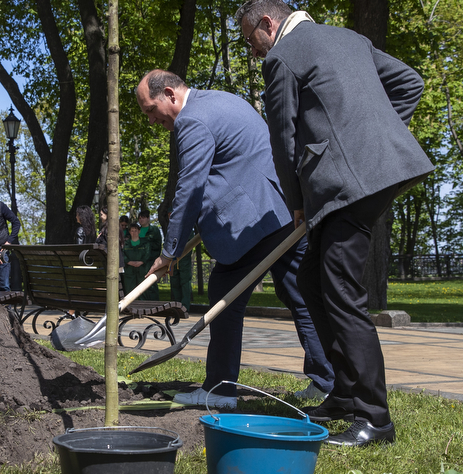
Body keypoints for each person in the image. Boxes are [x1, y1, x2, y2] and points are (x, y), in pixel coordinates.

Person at [238, 0, 434, 445]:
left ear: (268, 24)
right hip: (375, 173)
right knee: (310, 280)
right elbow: (411, 83)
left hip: (344, 186)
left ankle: (374, 416)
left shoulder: (282, 58)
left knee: (340, 289)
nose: (254, 51)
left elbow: (283, 141)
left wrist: (297, 204)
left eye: (251, 40)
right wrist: (375, 137)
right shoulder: (349, 38)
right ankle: (345, 393)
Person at [136, 69, 334, 410]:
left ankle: (220, 392)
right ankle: (328, 382)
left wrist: (170, 251)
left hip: (251, 224)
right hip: (283, 212)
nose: (153, 121)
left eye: (151, 111)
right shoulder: (222, 100)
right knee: (300, 296)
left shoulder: (192, 120)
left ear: (169, 93)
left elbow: (191, 188)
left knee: (222, 300)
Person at [137, 209, 162, 301]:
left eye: (143, 218)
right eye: (139, 218)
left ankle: (154, 303)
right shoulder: (136, 230)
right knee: (139, 283)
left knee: (151, 283)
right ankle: (142, 303)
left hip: (150, 261)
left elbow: (157, 246)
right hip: (138, 261)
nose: (141, 220)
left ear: (148, 218)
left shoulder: (154, 230)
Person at [121, 223, 149, 294]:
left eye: (136, 230)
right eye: (132, 231)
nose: (134, 233)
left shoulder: (145, 243)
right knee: (130, 291)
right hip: (129, 271)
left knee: (143, 291)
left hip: (142, 270)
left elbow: (148, 254)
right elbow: (122, 255)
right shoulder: (125, 244)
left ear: (139, 231)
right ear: (129, 232)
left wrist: (141, 262)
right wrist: (129, 262)